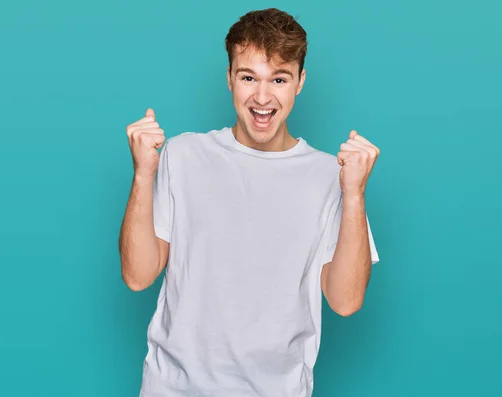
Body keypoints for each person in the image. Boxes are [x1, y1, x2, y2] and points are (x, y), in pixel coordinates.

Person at [119, 7, 380, 397]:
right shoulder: (184, 155)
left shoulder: (332, 176)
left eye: (278, 78)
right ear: (229, 79)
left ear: (300, 82)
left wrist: (355, 195)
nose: (262, 97)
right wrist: (143, 174)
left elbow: (345, 302)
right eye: (248, 77)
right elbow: (138, 275)